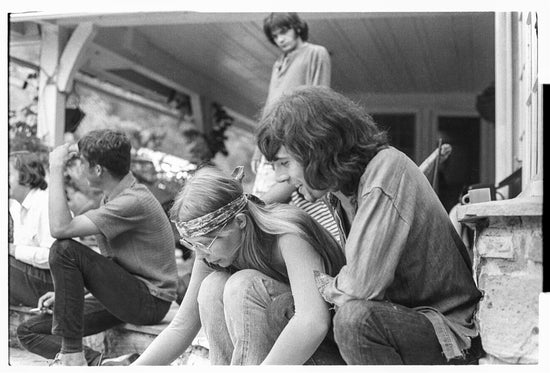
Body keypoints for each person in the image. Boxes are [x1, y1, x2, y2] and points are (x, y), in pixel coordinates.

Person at [257, 86, 484, 365]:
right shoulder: (340, 191)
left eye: (284, 163)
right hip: (393, 314)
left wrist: (322, 283)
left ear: (318, 147)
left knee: (355, 320)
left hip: (444, 327)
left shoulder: (384, 171)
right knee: (284, 310)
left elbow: (361, 286)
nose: (281, 177)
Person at [130, 166, 346, 365]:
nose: (201, 254)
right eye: (193, 245)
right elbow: (182, 326)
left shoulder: (287, 234)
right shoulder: (210, 251)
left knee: (243, 285)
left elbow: (313, 322)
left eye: (206, 244)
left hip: (326, 349)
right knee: (212, 286)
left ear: (240, 222)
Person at [16, 129, 178, 366]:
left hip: (149, 301)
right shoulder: (112, 197)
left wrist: (55, 168)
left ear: (98, 169)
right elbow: (113, 269)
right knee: (29, 331)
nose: (79, 169)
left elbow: (60, 229)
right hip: (126, 296)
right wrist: (67, 295)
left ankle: (72, 356)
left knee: (64, 249)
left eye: (82, 163)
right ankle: (101, 364)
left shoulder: (133, 201)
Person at [251, 12, 340, 244]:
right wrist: (259, 147)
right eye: (275, 35)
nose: (280, 38)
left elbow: (319, 98)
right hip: (272, 141)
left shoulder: (315, 53)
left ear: (297, 28)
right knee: (262, 208)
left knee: (277, 200)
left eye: (284, 31)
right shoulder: (279, 63)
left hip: (295, 140)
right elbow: (271, 104)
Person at [8, 151, 55, 307]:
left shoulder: (45, 204)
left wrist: (14, 250)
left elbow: (55, 258)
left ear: (27, 178)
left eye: (8, 174)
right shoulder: (15, 206)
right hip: (30, 275)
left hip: (54, 285)